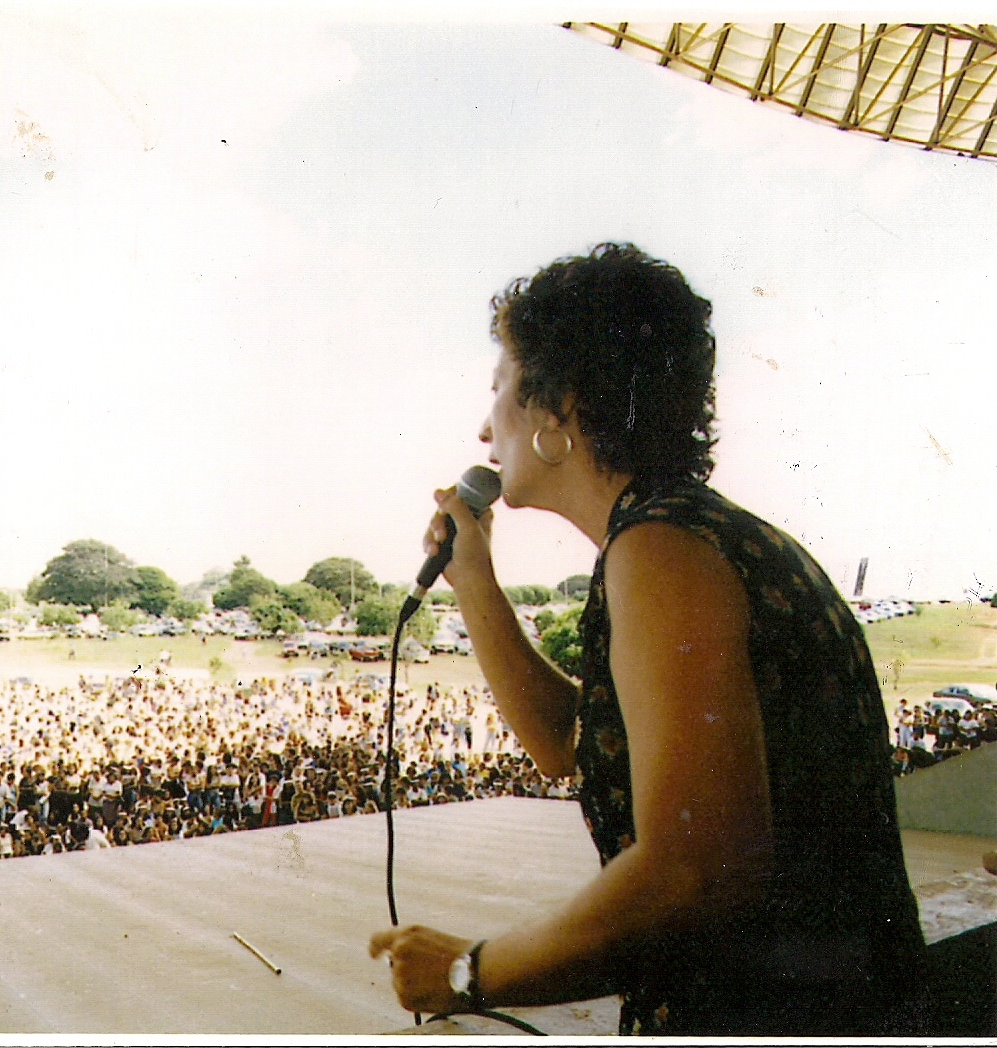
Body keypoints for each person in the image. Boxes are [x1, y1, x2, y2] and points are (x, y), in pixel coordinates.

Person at [370, 243, 923, 1036]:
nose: (482, 425)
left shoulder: (661, 553)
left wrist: (469, 970)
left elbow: (693, 870)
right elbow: (571, 743)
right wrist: (478, 586)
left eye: (498, 390)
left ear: (556, 409)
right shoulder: (700, 535)